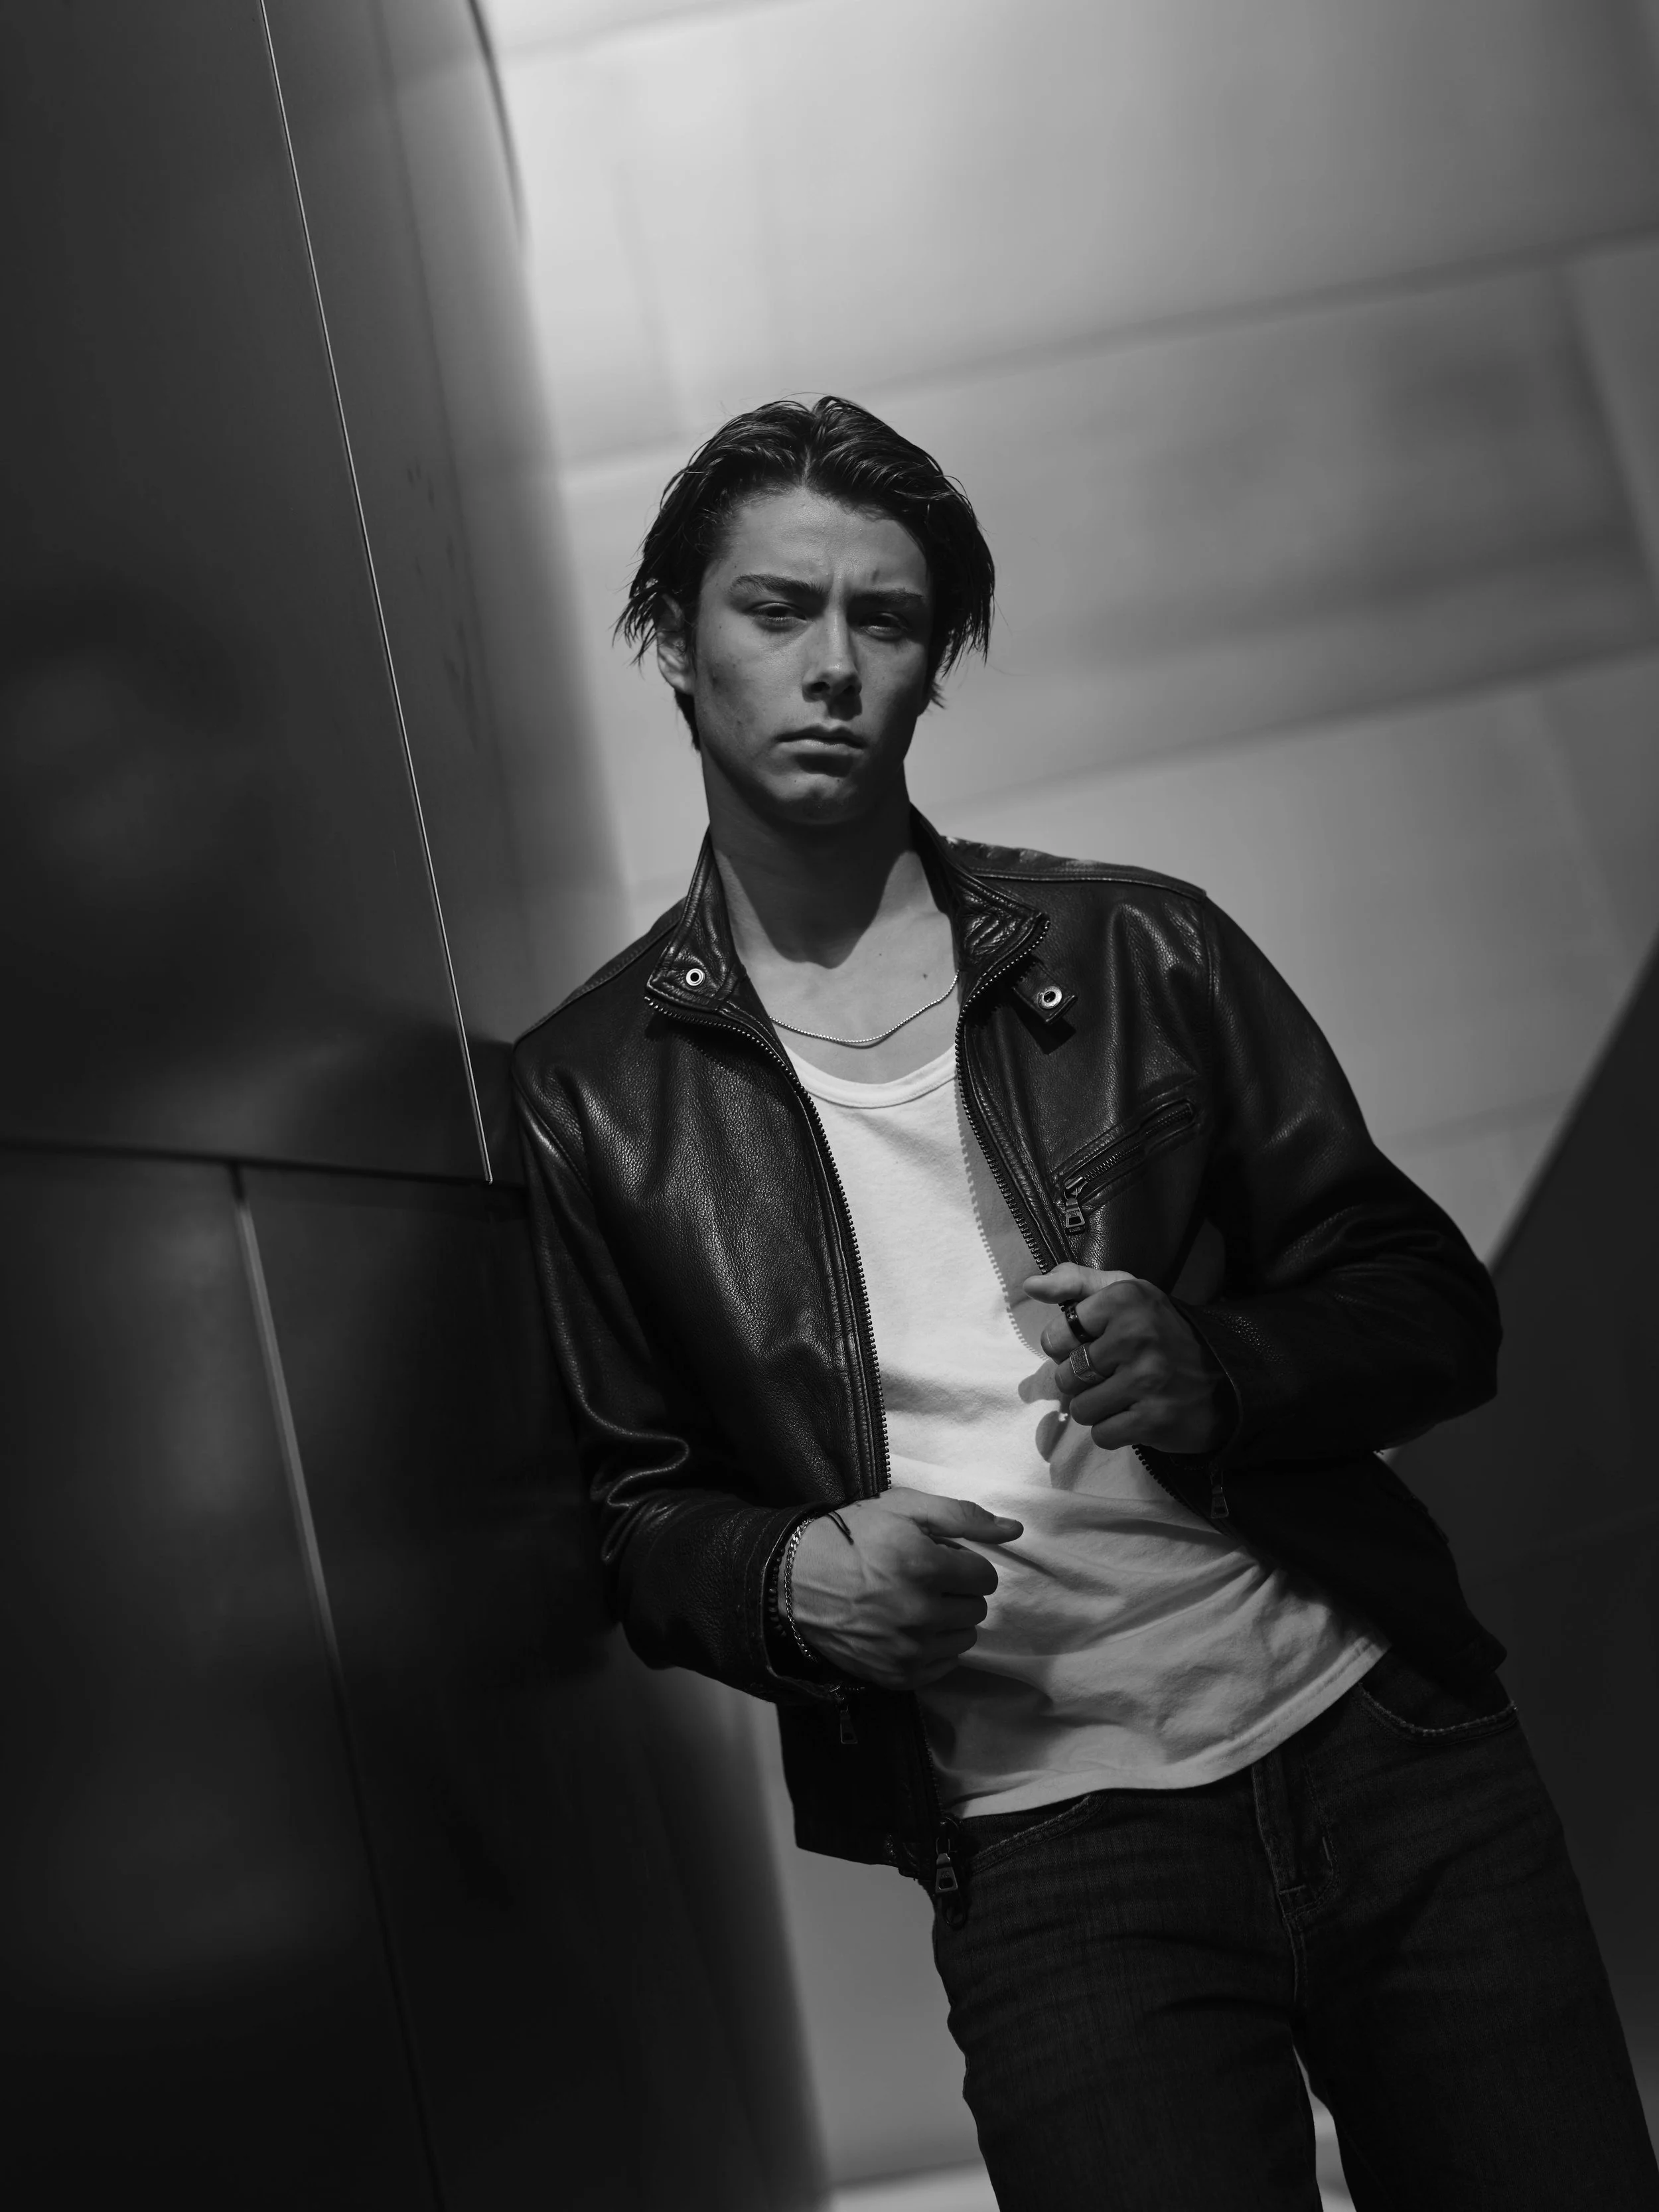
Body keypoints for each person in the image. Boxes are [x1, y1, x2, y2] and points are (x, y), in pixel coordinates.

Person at [513, 396, 1658, 2209]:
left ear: (932, 664)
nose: (829, 666)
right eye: (773, 608)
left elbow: (1428, 1302)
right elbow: (619, 1507)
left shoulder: (1136, 947)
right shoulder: (588, 1099)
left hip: (1388, 1749)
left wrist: (1213, 1365)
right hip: (1046, 1848)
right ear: (675, 635)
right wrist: (782, 1578)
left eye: (882, 622)